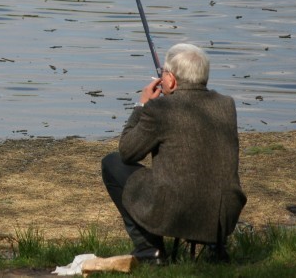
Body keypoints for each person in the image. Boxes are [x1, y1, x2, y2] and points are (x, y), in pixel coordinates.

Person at [101, 43, 246, 263]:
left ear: (170, 80)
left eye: (163, 73)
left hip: (178, 212)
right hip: (223, 215)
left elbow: (128, 152)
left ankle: (150, 251)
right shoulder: (227, 105)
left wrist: (141, 106)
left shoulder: (160, 109)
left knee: (112, 164)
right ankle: (215, 248)